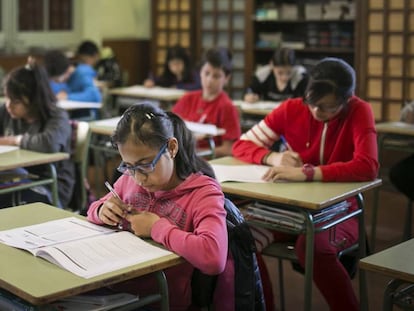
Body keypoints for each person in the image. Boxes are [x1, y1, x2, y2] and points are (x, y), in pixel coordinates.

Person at [232, 58, 379, 311]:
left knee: (313, 247)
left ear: (348, 99)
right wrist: (272, 156)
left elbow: (368, 165)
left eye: (328, 107)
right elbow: (241, 145)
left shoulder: (359, 110)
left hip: (341, 210)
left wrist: (309, 173)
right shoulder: (292, 108)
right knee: (241, 239)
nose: (317, 112)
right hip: (292, 209)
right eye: (312, 102)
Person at [86, 103, 230, 311]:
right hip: (113, 288)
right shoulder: (130, 180)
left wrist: (156, 228)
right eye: (129, 166)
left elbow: (214, 256)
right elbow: (95, 207)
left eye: (145, 165)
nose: (139, 177)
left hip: (161, 300)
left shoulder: (203, 194)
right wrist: (102, 211)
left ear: (172, 148)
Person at [0, 59, 75, 208]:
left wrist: (13, 140)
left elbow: (50, 143)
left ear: (34, 100)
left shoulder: (56, 116)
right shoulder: (6, 112)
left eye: (15, 101)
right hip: (14, 178)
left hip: (50, 186)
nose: (8, 105)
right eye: (7, 98)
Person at [172, 47, 241, 158]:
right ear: (200, 73)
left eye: (216, 76)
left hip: (205, 160)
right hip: (180, 155)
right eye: (206, 73)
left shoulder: (226, 107)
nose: (209, 80)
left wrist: (198, 153)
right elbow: (168, 126)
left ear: (226, 78)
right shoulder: (187, 99)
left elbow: (229, 148)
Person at [43, 46, 102, 119]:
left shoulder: (82, 73)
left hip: (86, 115)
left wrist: (67, 97)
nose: (57, 82)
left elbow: (95, 96)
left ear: (66, 72)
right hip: (67, 114)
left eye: (57, 80)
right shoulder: (57, 76)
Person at [244, 47, 308, 103]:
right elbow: (250, 90)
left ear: (294, 67)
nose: (284, 77)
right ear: (271, 65)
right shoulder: (262, 74)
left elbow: (308, 99)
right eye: (280, 73)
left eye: (289, 73)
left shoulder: (301, 77)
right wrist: (249, 96)